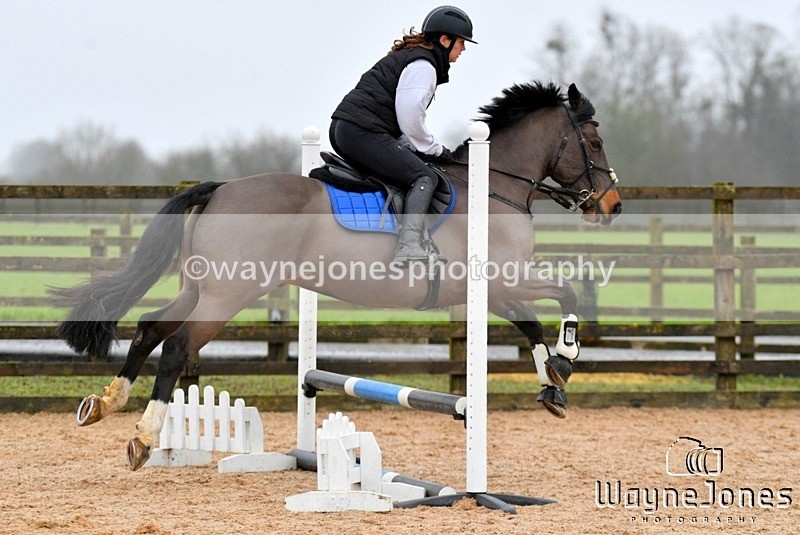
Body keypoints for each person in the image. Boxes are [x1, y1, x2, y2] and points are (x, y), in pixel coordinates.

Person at [329, 5, 476, 264]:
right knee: (424, 176)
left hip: (349, 129)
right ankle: (408, 246)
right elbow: (410, 117)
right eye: (461, 42)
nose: (463, 49)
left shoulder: (415, 58)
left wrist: (417, 147)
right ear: (445, 40)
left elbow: (401, 121)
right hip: (361, 131)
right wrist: (434, 149)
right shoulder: (424, 66)